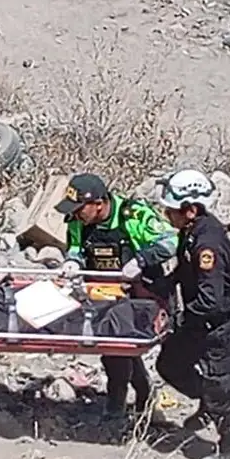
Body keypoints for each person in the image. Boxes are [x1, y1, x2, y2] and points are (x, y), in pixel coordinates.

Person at [54, 173, 179, 419]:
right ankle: (140, 393)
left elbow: (171, 241)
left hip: (140, 295)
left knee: (118, 348)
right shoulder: (77, 221)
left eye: (80, 209)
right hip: (103, 295)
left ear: (99, 204)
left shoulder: (133, 215)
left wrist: (141, 260)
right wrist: (73, 261)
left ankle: (116, 407)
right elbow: (76, 247)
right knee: (115, 348)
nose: (76, 215)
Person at [154, 169, 230, 459]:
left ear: (191, 210)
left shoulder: (207, 243)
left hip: (224, 329)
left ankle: (229, 448)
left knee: (221, 396)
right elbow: (185, 269)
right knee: (169, 365)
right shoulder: (191, 232)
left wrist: (179, 319)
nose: (167, 215)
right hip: (200, 323)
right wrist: (163, 286)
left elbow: (211, 300)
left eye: (171, 210)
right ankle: (207, 403)